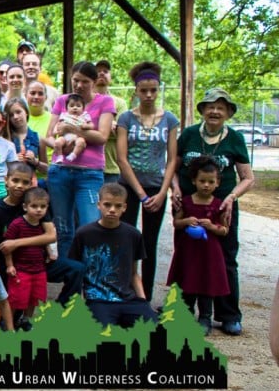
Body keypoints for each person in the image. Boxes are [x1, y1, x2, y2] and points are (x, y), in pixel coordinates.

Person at [173, 88, 254, 336]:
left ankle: (228, 314)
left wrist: (230, 198)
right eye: (210, 106)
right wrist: (175, 190)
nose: (215, 111)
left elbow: (248, 178)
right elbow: (174, 167)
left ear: (228, 112)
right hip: (189, 206)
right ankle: (182, 311)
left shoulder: (235, 139)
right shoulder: (188, 136)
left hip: (221, 208)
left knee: (225, 260)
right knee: (186, 258)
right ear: (202, 110)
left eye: (221, 107)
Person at [116, 61, 179, 298]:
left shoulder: (169, 120)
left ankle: (147, 296)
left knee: (149, 244)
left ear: (159, 89)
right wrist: (140, 194)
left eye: (153, 90)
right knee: (128, 239)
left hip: (157, 187)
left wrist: (163, 193)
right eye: (144, 90)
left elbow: (172, 159)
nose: (149, 95)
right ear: (136, 91)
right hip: (130, 188)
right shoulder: (126, 119)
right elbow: (122, 159)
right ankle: (125, 292)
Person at [45, 61, 115, 255]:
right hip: (60, 171)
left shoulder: (105, 102)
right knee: (63, 227)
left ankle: (90, 278)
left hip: (89, 173)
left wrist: (73, 130)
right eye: (75, 80)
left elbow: (102, 137)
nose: (79, 85)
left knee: (90, 226)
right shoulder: (62, 100)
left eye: (85, 81)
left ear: (94, 81)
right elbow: (50, 135)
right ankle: (71, 277)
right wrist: (61, 146)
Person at [0, 161, 82, 303]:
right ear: (6, 180)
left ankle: (63, 309)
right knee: (11, 310)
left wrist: (16, 243)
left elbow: (51, 236)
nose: (20, 185)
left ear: (31, 184)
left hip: (38, 262)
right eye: (15, 180)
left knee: (77, 269)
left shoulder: (36, 206)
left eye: (25, 182)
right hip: (12, 265)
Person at [68, 183, 157, 327]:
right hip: (98, 300)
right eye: (107, 205)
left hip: (128, 300)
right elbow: (76, 272)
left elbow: (134, 273)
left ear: (124, 208)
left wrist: (143, 301)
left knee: (155, 330)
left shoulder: (133, 235)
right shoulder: (84, 234)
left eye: (117, 206)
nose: (112, 210)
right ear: (99, 205)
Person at [167, 157, 229, 335]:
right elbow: (176, 223)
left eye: (211, 182)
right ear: (194, 180)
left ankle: (205, 318)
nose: (206, 185)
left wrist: (212, 226)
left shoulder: (219, 205)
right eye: (202, 181)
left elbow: (225, 230)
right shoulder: (186, 202)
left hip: (210, 253)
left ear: (218, 183)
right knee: (188, 282)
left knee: (206, 284)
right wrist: (186, 221)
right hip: (189, 252)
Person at [2, 187, 53, 330]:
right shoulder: (17, 224)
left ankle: (25, 319)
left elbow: (45, 241)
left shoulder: (43, 225)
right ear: (25, 206)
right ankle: (8, 323)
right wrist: (9, 265)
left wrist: (49, 251)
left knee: (34, 298)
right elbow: (7, 247)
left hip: (39, 269)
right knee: (16, 298)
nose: (39, 210)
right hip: (21, 269)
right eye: (34, 206)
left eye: (43, 207)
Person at [5, 98, 47, 180]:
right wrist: (12, 160)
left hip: (30, 185)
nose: (15, 117)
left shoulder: (38, 138)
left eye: (18, 112)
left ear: (26, 112)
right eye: (11, 115)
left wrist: (35, 161)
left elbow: (46, 170)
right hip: (9, 186)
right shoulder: (6, 138)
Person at [51, 93, 92, 162]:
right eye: (71, 106)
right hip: (65, 136)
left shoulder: (84, 116)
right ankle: (59, 156)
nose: (75, 108)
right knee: (57, 142)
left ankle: (73, 155)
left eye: (78, 106)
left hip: (78, 136)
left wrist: (86, 126)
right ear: (67, 108)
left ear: (83, 108)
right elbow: (58, 124)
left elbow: (91, 125)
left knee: (81, 142)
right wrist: (55, 131)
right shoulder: (64, 115)